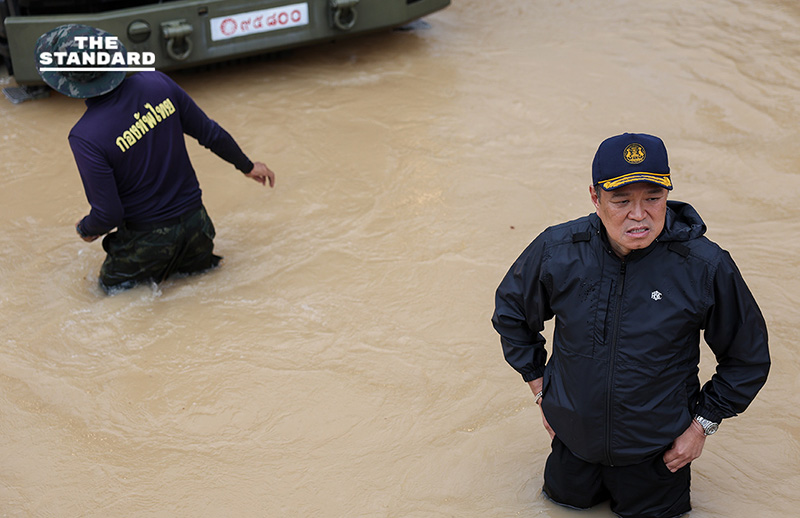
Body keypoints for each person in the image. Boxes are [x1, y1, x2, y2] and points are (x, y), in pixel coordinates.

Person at [491, 133, 770, 518]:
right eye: (621, 201)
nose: (638, 215)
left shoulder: (704, 266)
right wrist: (540, 388)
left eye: (652, 199)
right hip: (571, 448)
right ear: (595, 197)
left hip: (658, 460)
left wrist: (702, 427)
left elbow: (747, 357)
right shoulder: (558, 251)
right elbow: (511, 313)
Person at [34, 24, 276, 293]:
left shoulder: (85, 137)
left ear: (68, 82)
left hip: (145, 243)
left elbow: (109, 213)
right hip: (197, 226)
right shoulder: (158, 83)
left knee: (102, 299)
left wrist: (85, 229)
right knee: (201, 288)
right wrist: (247, 165)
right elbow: (209, 132)